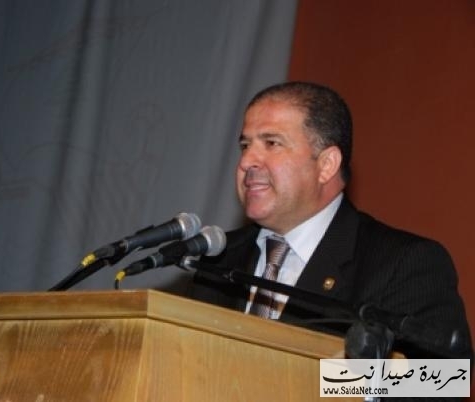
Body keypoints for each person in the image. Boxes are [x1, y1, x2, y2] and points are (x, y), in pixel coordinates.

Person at [188, 81, 472, 363]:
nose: (247, 161)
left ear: (326, 165)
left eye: (272, 143)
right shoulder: (218, 257)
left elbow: (442, 380)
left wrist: (323, 380)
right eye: (245, 145)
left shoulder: (403, 263)